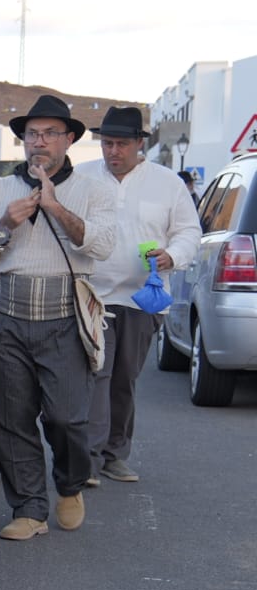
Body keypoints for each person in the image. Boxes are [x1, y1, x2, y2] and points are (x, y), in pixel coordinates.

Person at [0, 95, 116, 541]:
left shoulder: (92, 190)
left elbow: (103, 247)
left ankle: (70, 484)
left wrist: (54, 206)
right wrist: (4, 225)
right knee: (10, 419)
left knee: (69, 418)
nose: (40, 142)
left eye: (51, 133)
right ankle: (29, 509)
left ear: (69, 139)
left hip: (64, 317)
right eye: (32, 134)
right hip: (8, 313)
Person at [76, 106, 198, 485]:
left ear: (139, 144)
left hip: (142, 299)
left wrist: (172, 255)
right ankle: (91, 460)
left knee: (124, 378)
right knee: (97, 373)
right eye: (107, 143)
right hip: (92, 295)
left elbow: (188, 231)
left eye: (121, 144)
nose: (112, 151)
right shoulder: (82, 178)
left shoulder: (167, 183)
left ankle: (115, 454)